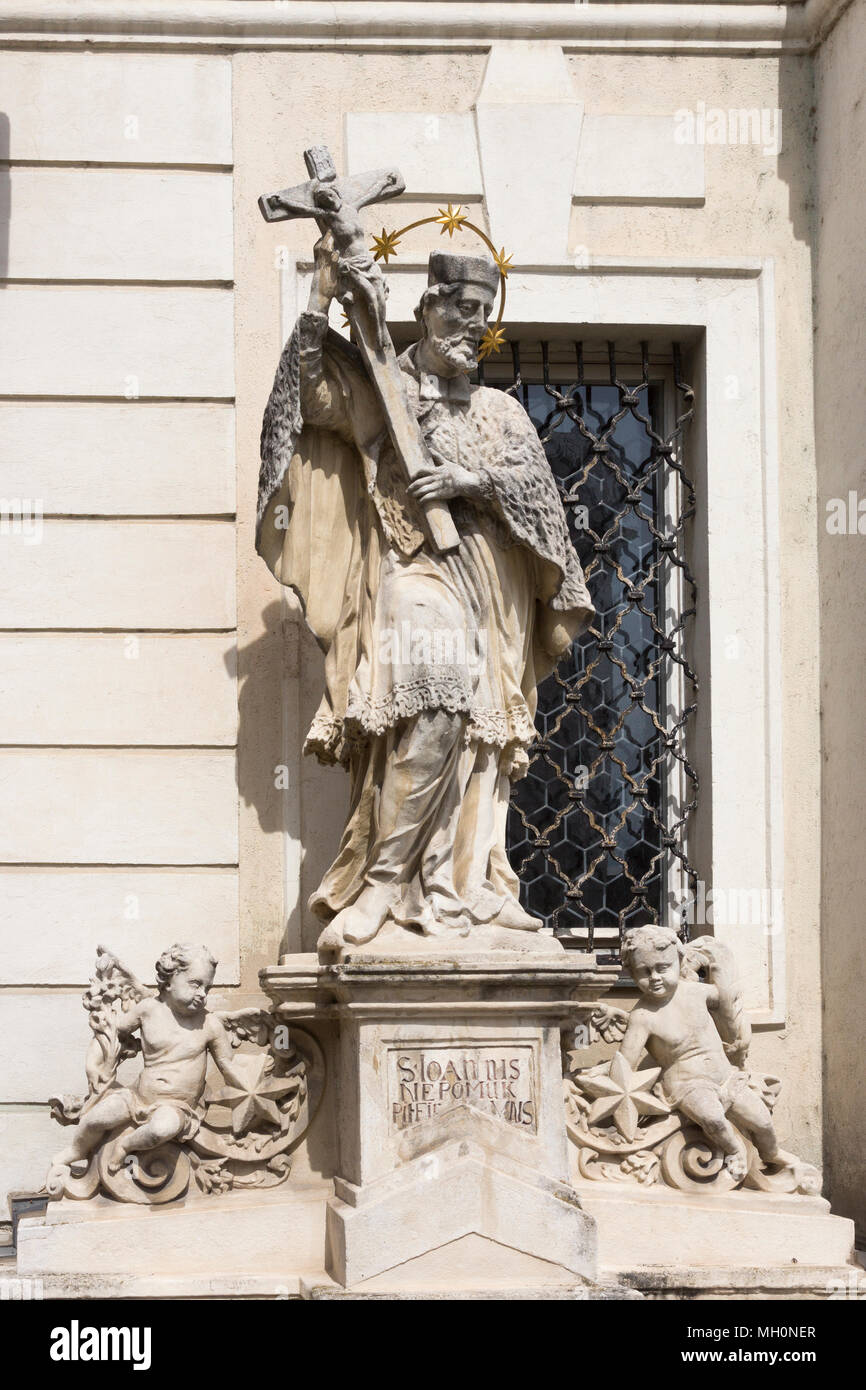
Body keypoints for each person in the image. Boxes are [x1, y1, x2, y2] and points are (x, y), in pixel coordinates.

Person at [256, 244, 594, 955]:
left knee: (478, 740)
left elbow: (543, 508)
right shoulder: (385, 391)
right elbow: (304, 392)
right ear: (425, 308)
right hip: (412, 571)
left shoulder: (501, 414)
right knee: (435, 703)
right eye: (460, 308)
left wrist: (470, 483)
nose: (472, 324)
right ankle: (384, 880)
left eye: (484, 314)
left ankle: (466, 886)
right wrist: (321, 295)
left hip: (493, 594)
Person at [618, 926, 784, 1180]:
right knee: (713, 1119)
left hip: (725, 1076)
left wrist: (741, 1038)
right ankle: (734, 1150)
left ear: (680, 962)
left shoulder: (697, 993)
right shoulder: (642, 1017)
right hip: (686, 1085)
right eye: (644, 971)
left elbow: (730, 1002)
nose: (654, 977)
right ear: (631, 973)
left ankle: (773, 1156)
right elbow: (624, 1063)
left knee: (762, 1122)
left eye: (663, 968)